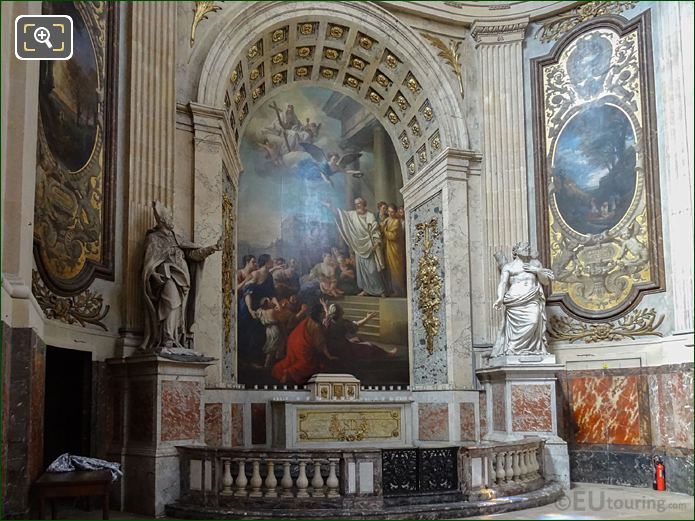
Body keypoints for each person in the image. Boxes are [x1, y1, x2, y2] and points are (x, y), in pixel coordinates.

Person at [141, 201, 222, 351]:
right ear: (164, 220)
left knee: (178, 309)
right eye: (170, 218)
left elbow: (194, 254)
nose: (172, 220)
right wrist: (152, 275)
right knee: (171, 303)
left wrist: (212, 248)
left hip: (183, 279)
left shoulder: (176, 238)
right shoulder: (153, 238)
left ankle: (174, 337)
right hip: (167, 276)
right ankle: (167, 338)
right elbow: (148, 262)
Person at [491, 242, 554, 357]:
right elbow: (503, 283)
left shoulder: (535, 263)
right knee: (518, 327)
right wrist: (500, 298)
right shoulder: (509, 267)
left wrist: (536, 271)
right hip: (515, 301)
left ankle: (524, 348)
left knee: (533, 321)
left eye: (528, 247)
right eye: (523, 247)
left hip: (532, 299)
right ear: (516, 251)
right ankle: (512, 349)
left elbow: (545, 282)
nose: (527, 249)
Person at [323, 197, 387, 297]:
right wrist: (331, 207)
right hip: (358, 246)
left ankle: (380, 290)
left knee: (373, 270)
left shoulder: (369, 215)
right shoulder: (352, 215)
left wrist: (376, 241)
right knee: (362, 271)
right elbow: (340, 214)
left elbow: (374, 228)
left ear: (364, 204)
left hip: (369, 245)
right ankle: (366, 289)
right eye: (356, 204)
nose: (358, 205)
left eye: (360, 203)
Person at [271, 304, 337, 384]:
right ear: (319, 313)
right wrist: (329, 356)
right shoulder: (316, 325)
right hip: (301, 346)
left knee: (291, 360)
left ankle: (281, 369)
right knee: (308, 364)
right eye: (323, 312)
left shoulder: (309, 319)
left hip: (292, 341)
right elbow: (320, 343)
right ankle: (288, 372)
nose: (324, 313)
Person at [381, 204, 407, 296]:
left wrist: (384, 231)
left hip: (396, 249)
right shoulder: (387, 220)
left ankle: (399, 291)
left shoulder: (397, 222)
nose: (390, 213)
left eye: (392, 212)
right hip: (389, 248)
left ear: (395, 212)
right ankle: (391, 290)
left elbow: (393, 236)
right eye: (389, 211)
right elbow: (381, 227)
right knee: (390, 269)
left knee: (396, 270)